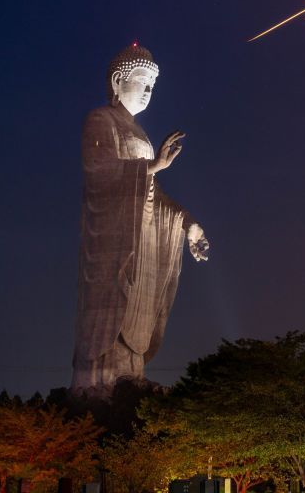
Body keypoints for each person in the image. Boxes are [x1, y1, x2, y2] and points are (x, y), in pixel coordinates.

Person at [71, 42, 208, 391]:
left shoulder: (142, 136)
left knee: (135, 309)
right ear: (118, 81)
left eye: (152, 85)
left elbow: (153, 194)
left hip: (142, 238)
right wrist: (153, 166)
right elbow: (99, 172)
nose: (148, 91)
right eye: (142, 81)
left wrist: (188, 224)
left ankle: (131, 378)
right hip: (113, 240)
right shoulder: (100, 119)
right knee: (112, 307)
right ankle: (98, 387)